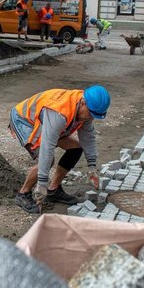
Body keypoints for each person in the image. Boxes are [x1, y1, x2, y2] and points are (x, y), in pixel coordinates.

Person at [9, 85, 111, 213]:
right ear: (82, 102)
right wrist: (42, 184)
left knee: (76, 148)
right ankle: (23, 194)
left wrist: (92, 166)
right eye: (91, 114)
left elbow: (88, 137)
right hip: (24, 120)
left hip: (46, 121)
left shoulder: (86, 108)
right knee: (47, 159)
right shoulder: (59, 112)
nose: (91, 118)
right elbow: (47, 146)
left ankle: (53, 190)